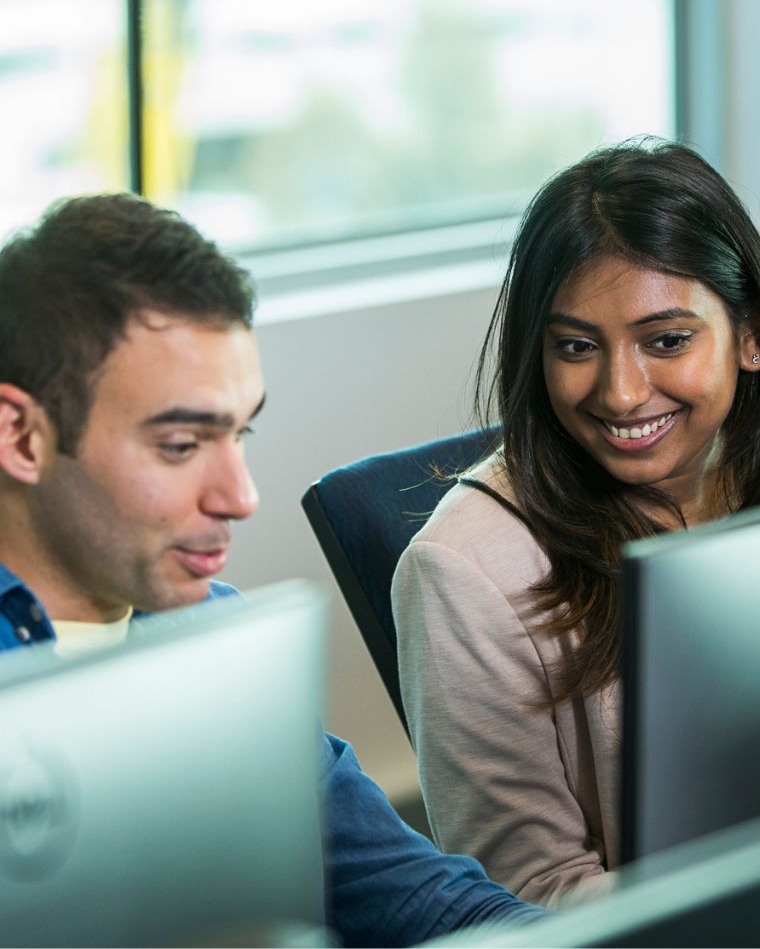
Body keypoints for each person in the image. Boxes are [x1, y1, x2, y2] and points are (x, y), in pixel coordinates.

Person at [0, 192, 543, 948]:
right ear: (22, 436)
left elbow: (413, 897)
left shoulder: (212, 635)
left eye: (239, 433)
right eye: (182, 445)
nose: (242, 497)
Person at [392, 138, 760, 907]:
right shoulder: (467, 568)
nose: (622, 393)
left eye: (667, 340)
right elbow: (529, 893)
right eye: (576, 347)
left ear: (752, 335)